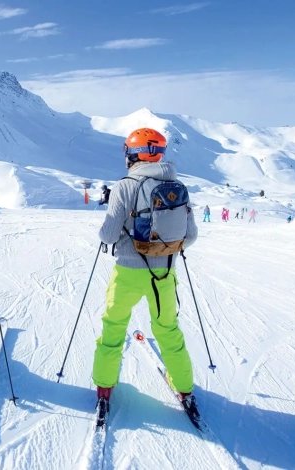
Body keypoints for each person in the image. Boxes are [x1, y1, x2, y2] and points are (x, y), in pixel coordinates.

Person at [93, 128, 199, 415]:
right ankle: (184, 387)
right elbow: (190, 236)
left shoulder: (125, 186)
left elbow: (109, 235)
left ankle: (104, 386)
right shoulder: (178, 186)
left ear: (133, 155)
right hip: (164, 274)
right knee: (168, 330)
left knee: (114, 326)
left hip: (128, 272)